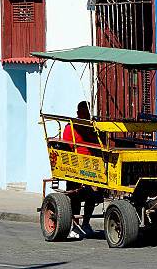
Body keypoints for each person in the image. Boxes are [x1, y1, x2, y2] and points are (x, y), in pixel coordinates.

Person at [63, 101, 99, 238]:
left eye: (87, 113)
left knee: (93, 195)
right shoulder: (71, 127)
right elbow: (67, 148)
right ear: (78, 113)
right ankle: (75, 225)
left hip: (92, 166)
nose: (85, 116)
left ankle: (86, 223)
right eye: (83, 113)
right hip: (76, 166)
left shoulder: (92, 127)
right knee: (75, 197)